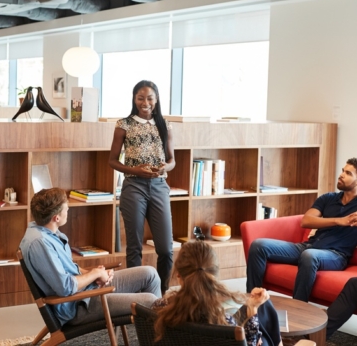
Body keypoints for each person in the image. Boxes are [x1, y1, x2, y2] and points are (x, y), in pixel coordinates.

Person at [19, 187, 161, 326]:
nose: (68, 211)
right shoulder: (41, 243)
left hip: (87, 291)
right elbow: (65, 287)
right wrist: (95, 273)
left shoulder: (46, 231)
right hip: (78, 305)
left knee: (150, 274)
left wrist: (96, 275)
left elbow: (69, 269)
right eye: (66, 209)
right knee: (150, 301)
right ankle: (160, 337)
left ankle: (155, 336)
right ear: (56, 218)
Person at [246, 158, 357, 302]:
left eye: (348, 173)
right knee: (258, 246)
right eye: (342, 170)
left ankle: (298, 311)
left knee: (309, 256)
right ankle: (253, 302)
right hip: (307, 246)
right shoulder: (328, 198)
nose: (341, 175)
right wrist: (338, 221)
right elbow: (306, 221)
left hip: (335, 255)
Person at [109, 80, 175, 293]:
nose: (145, 102)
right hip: (133, 187)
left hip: (158, 186)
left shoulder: (165, 124)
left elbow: (173, 160)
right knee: (134, 247)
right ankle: (134, 298)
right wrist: (136, 170)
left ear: (156, 100)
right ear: (134, 99)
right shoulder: (124, 124)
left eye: (150, 98)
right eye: (140, 97)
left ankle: (161, 293)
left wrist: (166, 167)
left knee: (165, 248)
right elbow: (112, 160)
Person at [152, 241, 282, 346]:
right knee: (264, 309)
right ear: (215, 276)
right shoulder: (223, 323)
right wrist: (252, 310)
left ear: (178, 275)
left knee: (261, 308)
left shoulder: (159, 309)